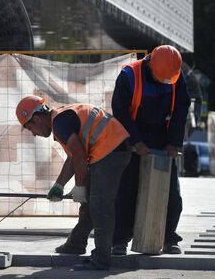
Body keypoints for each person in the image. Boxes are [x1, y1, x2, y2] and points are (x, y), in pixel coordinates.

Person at [15, 96, 131, 270]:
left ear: (37, 119)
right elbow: (73, 156)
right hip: (111, 148)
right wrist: (59, 185)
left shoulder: (60, 123)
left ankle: (101, 259)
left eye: (30, 127)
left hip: (111, 150)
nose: (33, 133)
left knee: (99, 206)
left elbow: (79, 155)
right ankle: (76, 244)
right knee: (89, 203)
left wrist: (80, 186)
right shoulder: (61, 119)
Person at [111, 45, 190, 255]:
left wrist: (174, 142)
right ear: (150, 64)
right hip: (131, 132)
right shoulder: (128, 76)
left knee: (170, 190)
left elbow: (181, 108)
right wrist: (136, 141)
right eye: (160, 78)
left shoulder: (174, 73)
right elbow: (120, 112)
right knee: (127, 188)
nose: (165, 82)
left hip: (161, 134)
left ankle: (169, 237)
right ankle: (119, 241)